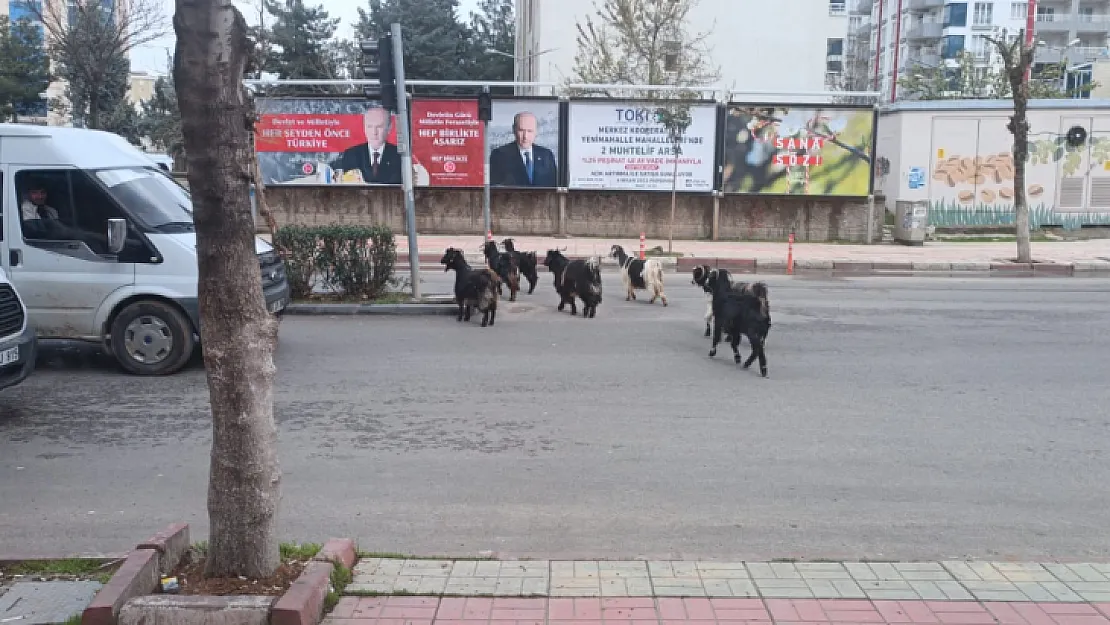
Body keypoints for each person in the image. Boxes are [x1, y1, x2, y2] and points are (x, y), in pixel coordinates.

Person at [330, 106, 403, 185]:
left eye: (379, 127)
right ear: (364, 128)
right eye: (369, 126)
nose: (374, 132)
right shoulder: (351, 155)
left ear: (389, 128)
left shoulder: (399, 155)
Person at [490, 111, 558, 187]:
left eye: (530, 131)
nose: (525, 136)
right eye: (521, 130)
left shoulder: (546, 155)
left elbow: (553, 185)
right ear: (514, 130)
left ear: (536, 131)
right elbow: (494, 186)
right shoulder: (500, 155)